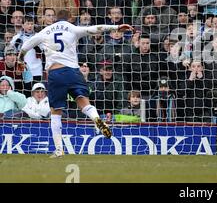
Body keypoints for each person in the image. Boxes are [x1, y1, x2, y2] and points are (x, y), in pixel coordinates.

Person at [17, 9, 134, 158]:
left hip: (55, 73)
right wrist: (116, 27)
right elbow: (95, 29)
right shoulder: (73, 28)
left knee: (55, 112)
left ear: (55, 20)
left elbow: (26, 45)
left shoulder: (45, 31)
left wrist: (20, 60)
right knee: (84, 103)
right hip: (73, 72)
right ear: (70, 19)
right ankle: (97, 120)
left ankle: (59, 150)